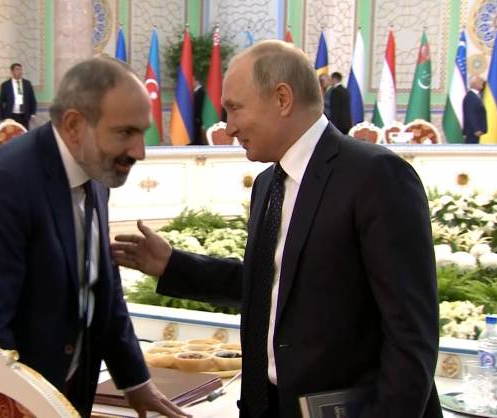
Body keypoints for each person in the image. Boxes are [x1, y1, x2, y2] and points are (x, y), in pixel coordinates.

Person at [113, 40, 441, 418]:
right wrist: (173, 265)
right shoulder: (268, 182)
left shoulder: (376, 176)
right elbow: (272, 286)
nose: (229, 127)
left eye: (235, 108)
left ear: (282, 99)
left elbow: (411, 335)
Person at [0, 57, 190, 418]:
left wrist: (134, 380)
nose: (140, 151)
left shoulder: (95, 173)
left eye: (142, 133)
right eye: (125, 133)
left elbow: (100, 290)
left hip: (51, 398)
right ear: (74, 125)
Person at [0, 63, 37, 129]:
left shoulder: (27, 84)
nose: (20, 72)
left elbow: (32, 100)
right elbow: (1, 102)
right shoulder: (6, 85)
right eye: (17, 69)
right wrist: (1, 117)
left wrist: (33, 113)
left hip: (24, 115)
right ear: (12, 71)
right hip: (11, 115)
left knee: (24, 133)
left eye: (20, 70)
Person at [462, 75, 487, 144]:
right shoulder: (470, 97)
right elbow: (470, 114)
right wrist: (476, 129)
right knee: (470, 149)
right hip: (473, 132)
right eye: (481, 81)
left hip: (476, 132)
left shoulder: (476, 96)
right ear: (475, 83)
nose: (482, 83)